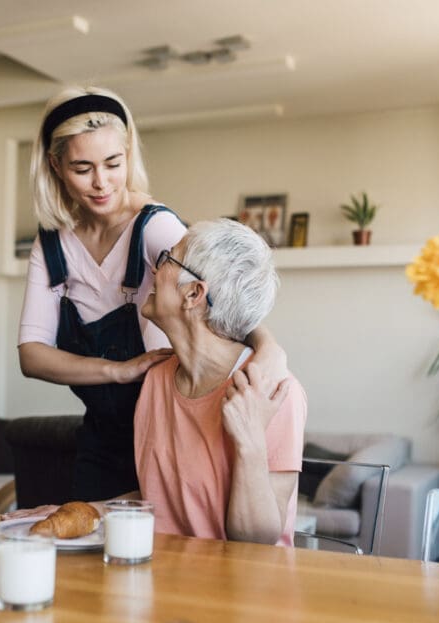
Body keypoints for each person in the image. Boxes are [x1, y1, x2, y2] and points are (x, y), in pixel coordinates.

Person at [17, 86, 287, 502]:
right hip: (101, 439)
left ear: (128, 154)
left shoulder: (155, 227)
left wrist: (270, 350)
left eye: (113, 163)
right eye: (82, 168)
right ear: (55, 165)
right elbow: (32, 355)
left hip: (166, 426)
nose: (101, 183)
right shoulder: (52, 245)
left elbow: (222, 299)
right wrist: (118, 370)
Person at [133, 218, 306, 545]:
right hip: (164, 579)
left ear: (194, 293)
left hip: (241, 589)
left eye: (168, 259)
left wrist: (250, 440)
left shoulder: (275, 392)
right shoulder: (156, 380)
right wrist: (74, 510)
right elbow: (164, 505)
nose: (154, 271)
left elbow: (258, 542)